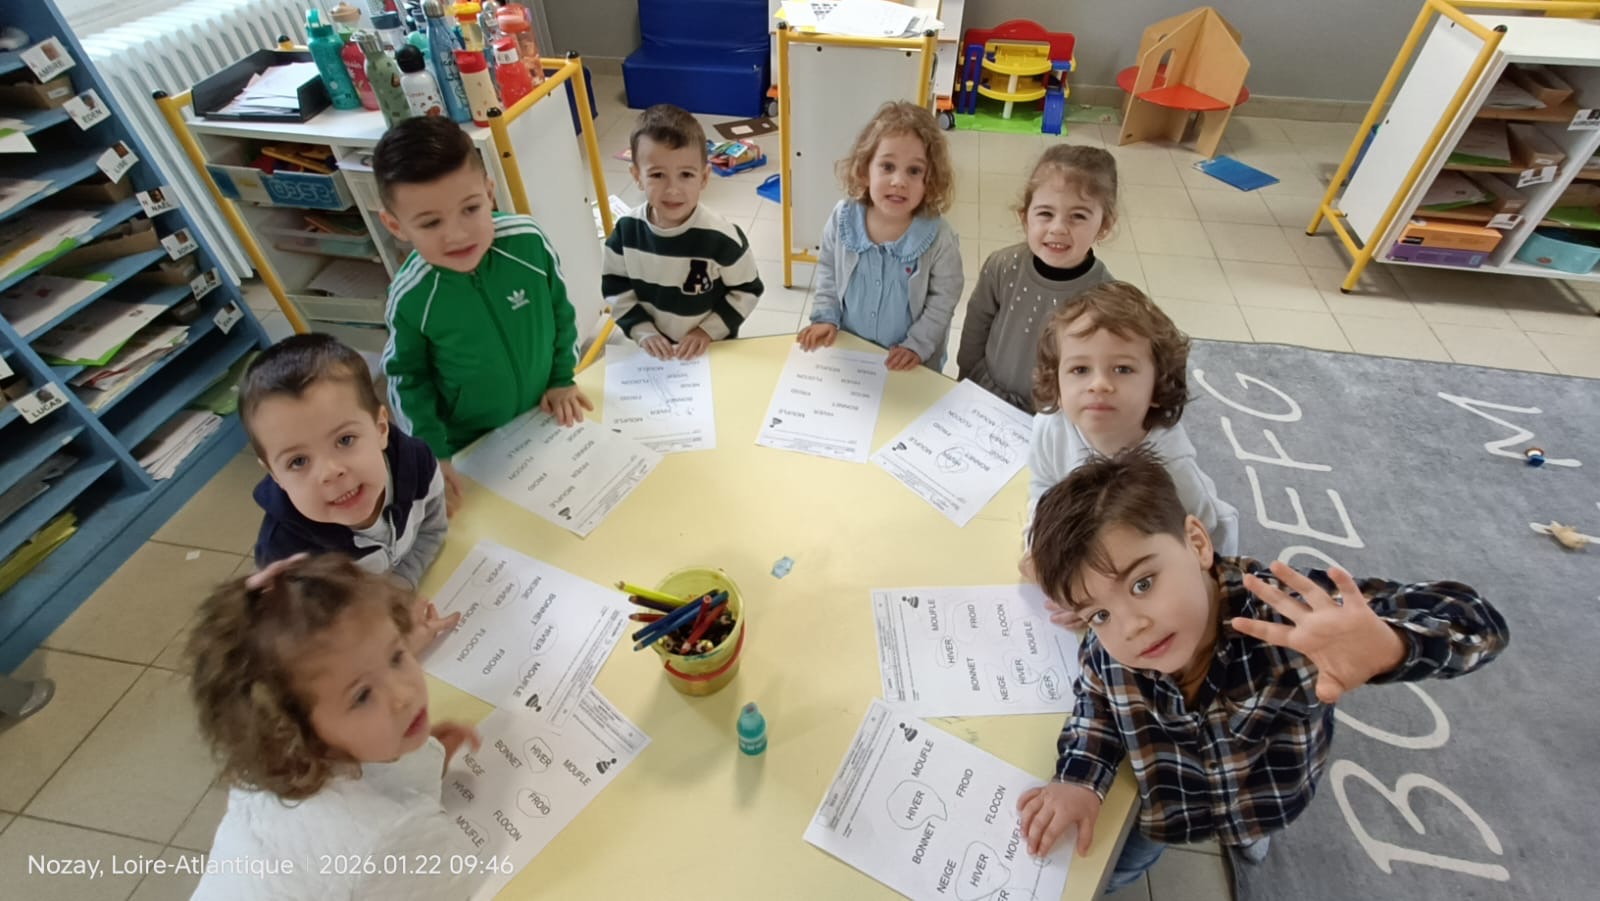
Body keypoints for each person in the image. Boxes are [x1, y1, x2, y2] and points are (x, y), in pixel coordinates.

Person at [1016, 447, 1509, 890]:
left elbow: (1477, 623)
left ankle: (1247, 834)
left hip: (1267, 790)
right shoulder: (1110, 648)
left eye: (1143, 584)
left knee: (1253, 822)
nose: (1132, 627)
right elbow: (1097, 703)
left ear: (1197, 542)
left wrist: (1392, 646)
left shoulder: (1290, 614)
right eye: (1100, 614)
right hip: (1173, 798)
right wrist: (1079, 778)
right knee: (1124, 866)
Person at [187, 554, 487, 899]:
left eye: (396, 656)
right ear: (298, 734)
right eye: (362, 696)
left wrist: (426, 760)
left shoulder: (261, 769)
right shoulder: (391, 837)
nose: (403, 695)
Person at [376, 116, 591, 514]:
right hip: (470, 445)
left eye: (471, 208)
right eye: (431, 222)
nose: (458, 234)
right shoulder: (411, 298)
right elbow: (407, 380)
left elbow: (560, 311)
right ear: (395, 225)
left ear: (490, 193)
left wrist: (562, 378)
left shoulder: (528, 243)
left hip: (543, 414)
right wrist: (433, 453)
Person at [797, 101, 962, 372]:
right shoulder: (843, 219)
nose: (899, 181)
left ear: (929, 180)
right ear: (865, 170)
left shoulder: (939, 237)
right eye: (887, 166)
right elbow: (828, 271)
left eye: (914, 170)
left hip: (911, 363)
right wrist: (825, 317)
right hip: (852, 356)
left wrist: (916, 346)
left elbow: (943, 301)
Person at [958, 145, 1117, 411]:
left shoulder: (1107, 298)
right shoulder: (1002, 265)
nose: (1058, 228)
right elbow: (976, 327)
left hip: (1053, 417)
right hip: (985, 396)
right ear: (1025, 217)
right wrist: (966, 382)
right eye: (1045, 213)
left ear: (1104, 226)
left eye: (1078, 216)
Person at [603, 104, 764, 359]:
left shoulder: (722, 238)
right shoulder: (625, 233)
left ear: (704, 177)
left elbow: (747, 291)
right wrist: (643, 331)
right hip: (655, 353)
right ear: (637, 176)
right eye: (657, 175)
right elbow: (615, 289)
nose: (673, 189)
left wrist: (707, 331)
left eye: (686, 175)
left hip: (711, 349)